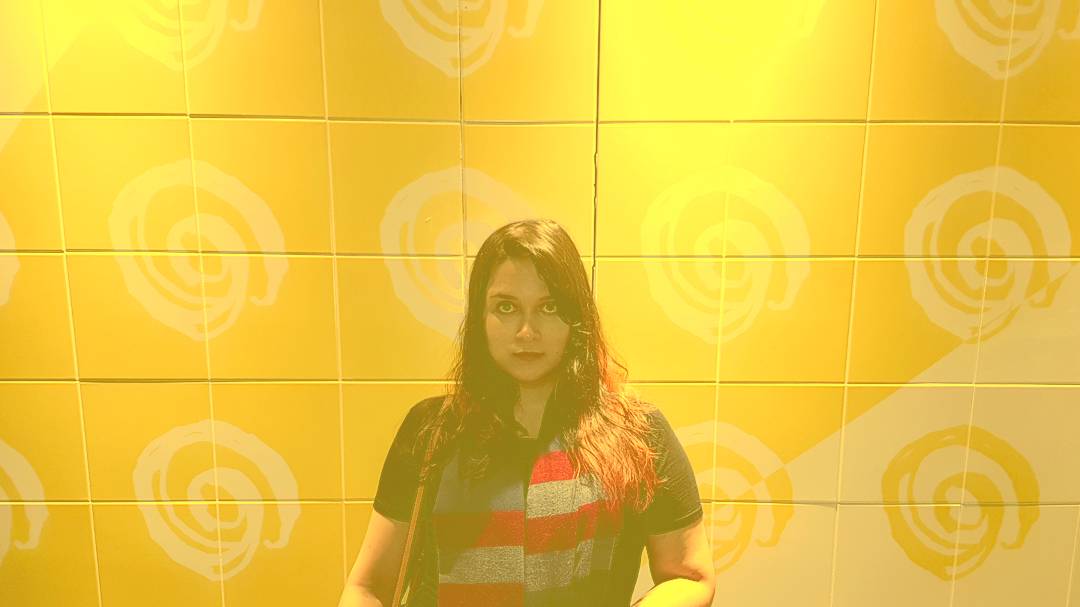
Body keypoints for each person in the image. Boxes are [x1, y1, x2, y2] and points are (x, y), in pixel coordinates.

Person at [338, 219, 715, 607]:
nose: (526, 332)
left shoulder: (637, 433)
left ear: (576, 316)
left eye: (549, 307)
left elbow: (689, 576)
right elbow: (369, 588)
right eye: (506, 307)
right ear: (480, 316)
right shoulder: (434, 431)